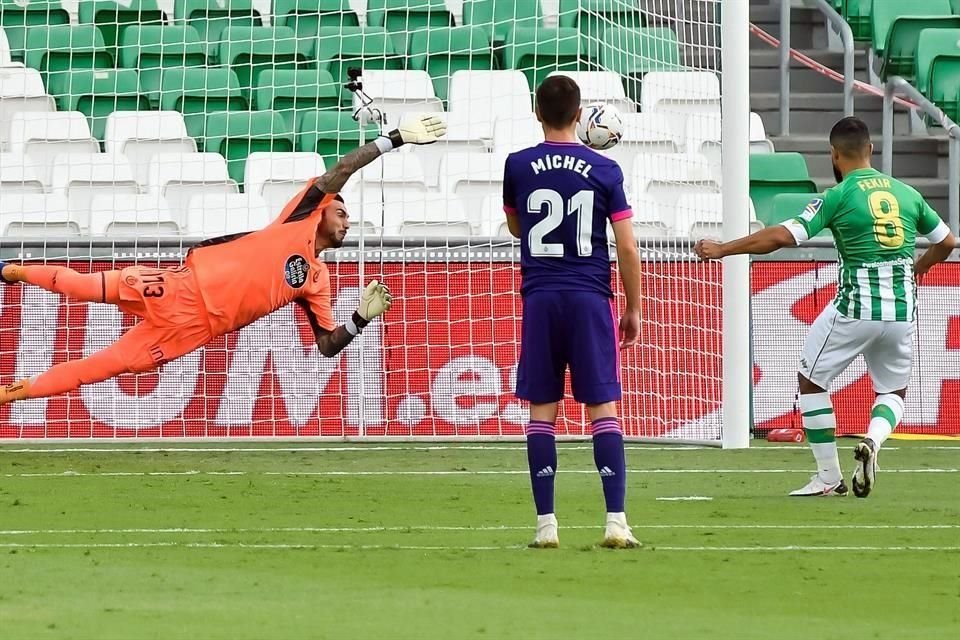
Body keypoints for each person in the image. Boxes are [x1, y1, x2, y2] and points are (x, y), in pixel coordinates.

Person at [0, 115, 447, 406]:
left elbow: (326, 344)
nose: (347, 220)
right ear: (323, 208)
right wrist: (395, 139)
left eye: (349, 217)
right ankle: (11, 270)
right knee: (82, 286)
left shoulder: (317, 280)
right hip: (182, 286)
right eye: (342, 211)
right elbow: (342, 171)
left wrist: (359, 319)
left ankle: (10, 394)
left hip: (192, 330)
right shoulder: (296, 219)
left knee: (98, 368)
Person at [695, 116, 956, 497]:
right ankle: (873, 442)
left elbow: (784, 236)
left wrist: (723, 248)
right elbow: (947, 242)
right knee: (893, 392)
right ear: (870, 150)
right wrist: (918, 269)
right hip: (902, 312)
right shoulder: (907, 194)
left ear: (834, 156)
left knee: (811, 381)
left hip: (855, 308)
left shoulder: (838, 196)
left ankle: (829, 477)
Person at [503, 76, 642, 547]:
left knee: (543, 410)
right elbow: (625, 243)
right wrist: (634, 306)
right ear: (580, 115)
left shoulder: (518, 165)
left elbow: (516, 224)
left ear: (537, 112)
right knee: (603, 407)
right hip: (589, 297)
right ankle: (616, 522)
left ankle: (546, 526)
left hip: (540, 297)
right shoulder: (606, 170)